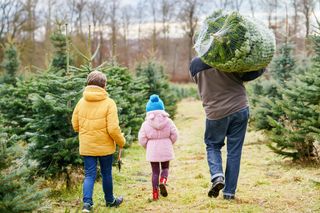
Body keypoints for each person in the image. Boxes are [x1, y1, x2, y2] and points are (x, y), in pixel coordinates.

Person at [189, 57, 265, 200]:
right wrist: (261, 65)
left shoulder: (194, 65)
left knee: (212, 145)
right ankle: (229, 193)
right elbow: (248, 75)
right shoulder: (225, 57)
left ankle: (217, 176)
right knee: (234, 151)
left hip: (215, 113)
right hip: (239, 107)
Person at [72, 70, 126, 212]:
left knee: (89, 174)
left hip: (87, 146)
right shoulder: (109, 103)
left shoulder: (81, 102)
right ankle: (110, 201)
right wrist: (121, 141)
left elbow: (75, 125)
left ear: (88, 84)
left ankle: (87, 204)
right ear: (104, 85)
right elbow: (113, 129)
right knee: (106, 173)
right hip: (105, 147)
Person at [138, 94, 178, 201]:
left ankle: (155, 194)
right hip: (166, 148)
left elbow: (141, 138)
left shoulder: (146, 124)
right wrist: (170, 142)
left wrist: (147, 146)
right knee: (165, 168)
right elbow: (175, 134)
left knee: (155, 172)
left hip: (153, 150)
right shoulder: (168, 121)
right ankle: (163, 181)